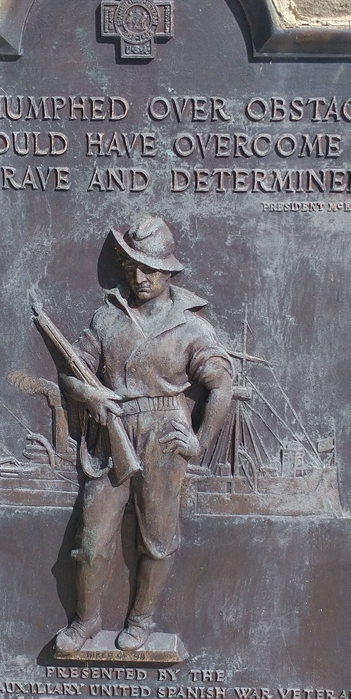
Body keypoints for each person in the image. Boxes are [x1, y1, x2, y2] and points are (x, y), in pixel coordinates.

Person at [55, 216, 233, 655]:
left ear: (168, 271)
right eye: (132, 266)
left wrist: (199, 441)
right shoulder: (106, 318)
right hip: (112, 431)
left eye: (149, 268)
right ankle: (86, 619)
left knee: (157, 537)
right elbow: (72, 372)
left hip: (162, 435)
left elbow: (221, 386)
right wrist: (91, 396)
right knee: (92, 541)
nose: (139, 277)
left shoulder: (192, 327)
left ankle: (141, 619)